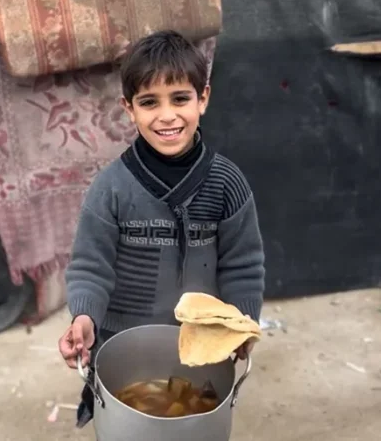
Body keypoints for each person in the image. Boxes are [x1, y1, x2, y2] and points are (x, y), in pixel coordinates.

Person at [57, 30, 266, 426]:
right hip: (124, 344)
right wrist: (83, 318)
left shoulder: (227, 183)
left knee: (193, 422)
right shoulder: (111, 188)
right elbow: (90, 267)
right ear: (129, 109)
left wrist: (241, 322)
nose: (167, 115)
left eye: (180, 98)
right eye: (149, 102)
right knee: (131, 424)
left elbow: (243, 264)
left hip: (203, 346)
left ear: (203, 98)